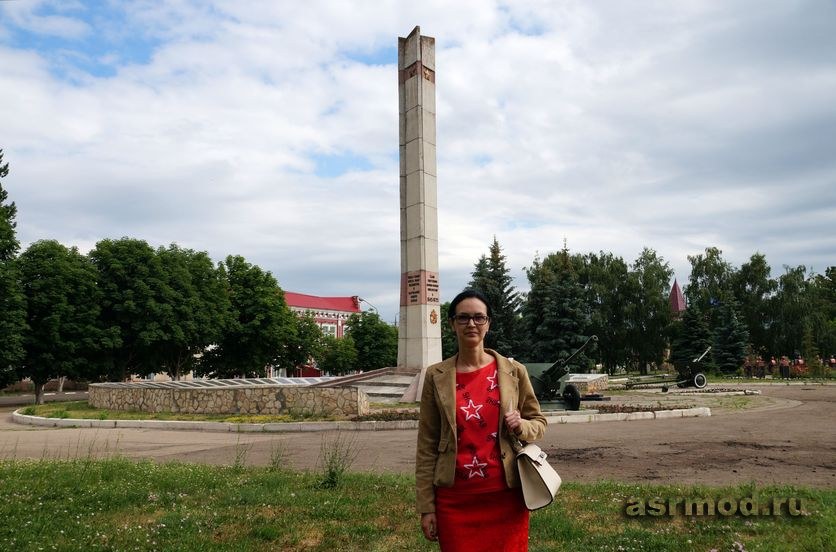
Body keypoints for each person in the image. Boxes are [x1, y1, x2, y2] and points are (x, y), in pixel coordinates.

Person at [416, 289, 547, 551]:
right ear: (452, 323)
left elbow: (539, 423)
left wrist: (521, 426)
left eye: (479, 317)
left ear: (489, 323)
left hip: (506, 497)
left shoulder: (513, 371)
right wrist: (426, 507)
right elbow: (427, 445)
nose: (471, 324)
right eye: (463, 318)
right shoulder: (436, 376)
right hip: (454, 499)